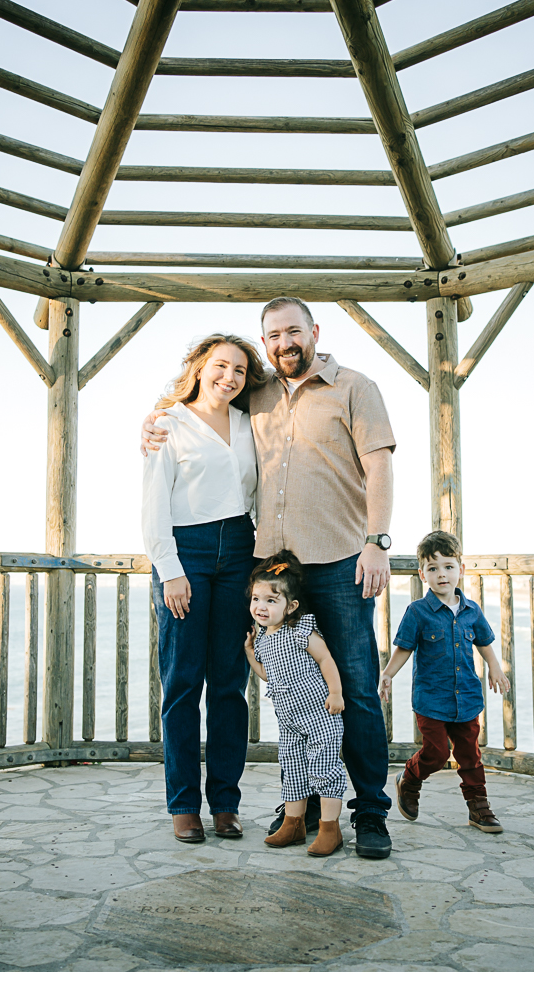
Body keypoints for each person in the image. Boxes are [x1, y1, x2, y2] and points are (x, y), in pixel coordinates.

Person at [143, 297, 396, 859]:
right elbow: (189, 425)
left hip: (338, 562)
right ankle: (291, 808)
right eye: (273, 334)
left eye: (293, 331)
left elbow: (379, 463)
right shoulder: (252, 398)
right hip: (271, 573)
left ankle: (370, 813)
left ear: (314, 332)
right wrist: (153, 422)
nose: (284, 342)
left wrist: (378, 543)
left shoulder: (355, 386)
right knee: (286, 692)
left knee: (352, 687)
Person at [142, 333, 267, 844]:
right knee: (182, 685)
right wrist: (170, 569)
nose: (229, 377)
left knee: (229, 685)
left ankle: (225, 803)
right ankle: (183, 805)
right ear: (198, 367)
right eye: (220, 366)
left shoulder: (250, 424)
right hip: (185, 555)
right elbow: (154, 504)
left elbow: (257, 494)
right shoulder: (168, 425)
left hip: (239, 551)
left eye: (239, 370)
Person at [379, 530, 510, 832]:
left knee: (470, 756)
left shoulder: (471, 610)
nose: (442, 574)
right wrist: (387, 674)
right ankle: (410, 779)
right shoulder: (418, 612)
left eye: (449, 567)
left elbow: (485, 642)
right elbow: (404, 648)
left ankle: (478, 807)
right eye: (433, 568)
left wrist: (495, 668)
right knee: (437, 753)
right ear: (422, 573)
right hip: (431, 699)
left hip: (466, 698)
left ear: (461, 570)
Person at [244, 550, 347, 856]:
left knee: (325, 769)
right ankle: (294, 824)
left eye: (271, 601)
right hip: (289, 721)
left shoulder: (300, 630)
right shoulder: (262, 638)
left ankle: (331, 829)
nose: (261, 607)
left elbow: (326, 659)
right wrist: (250, 654)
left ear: (291, 606)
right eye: (256, 599)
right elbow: (268, 675)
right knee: (293, 770)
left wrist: (336, 693)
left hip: (320, 715)